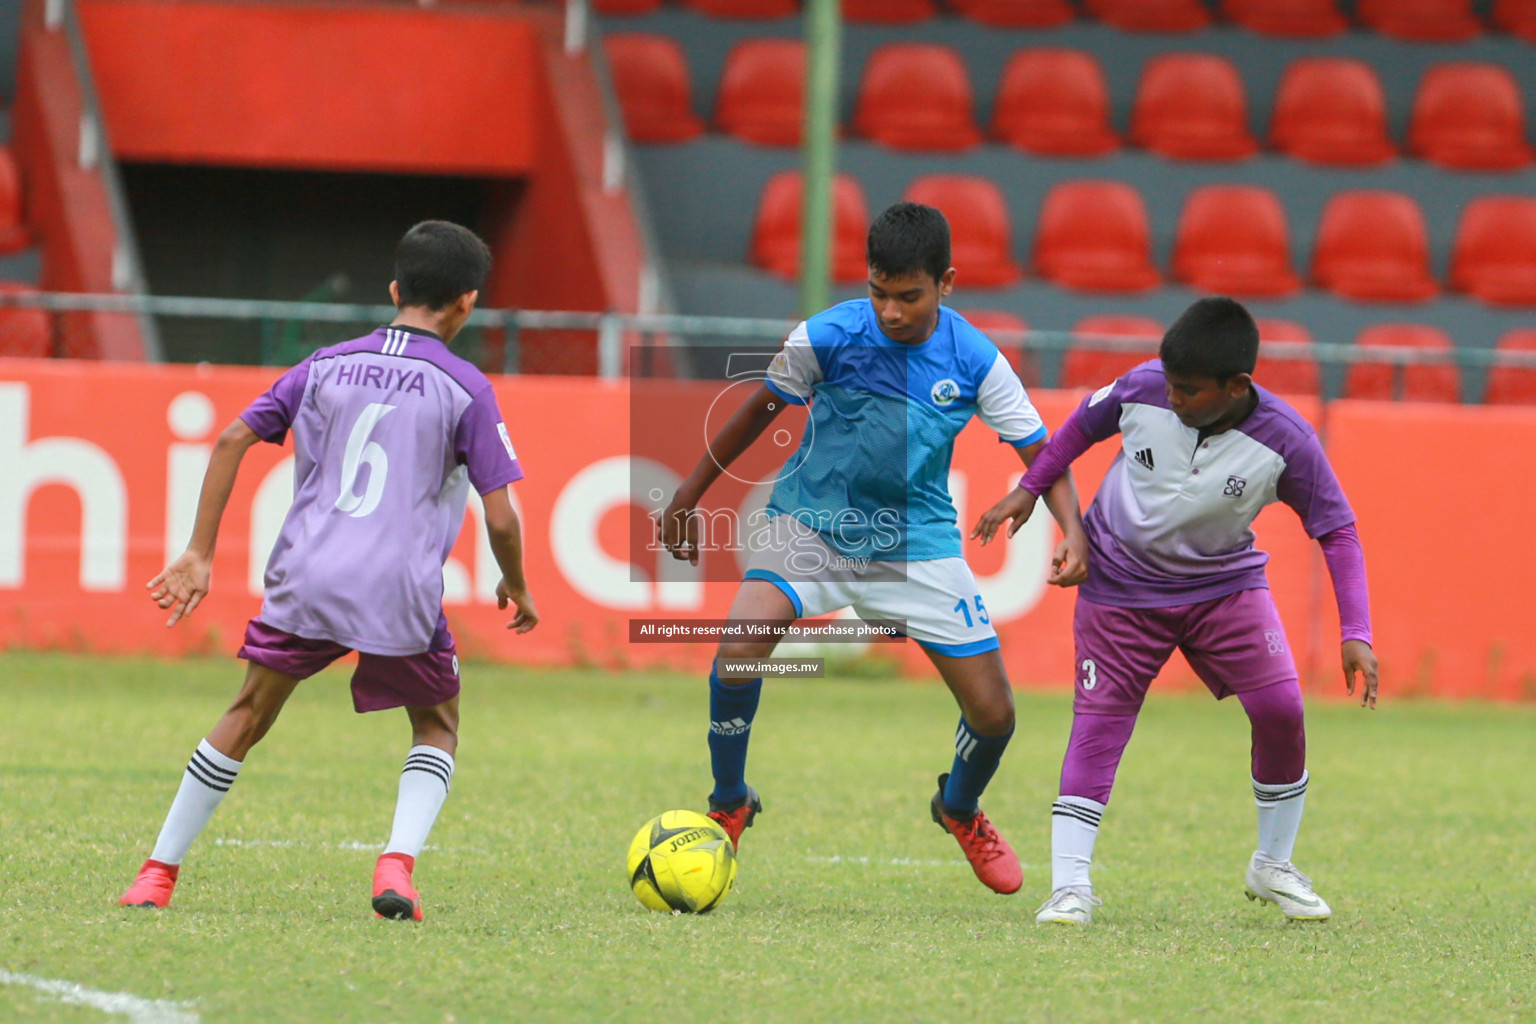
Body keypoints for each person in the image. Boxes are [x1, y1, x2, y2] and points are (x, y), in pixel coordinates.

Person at [659, 202, 1088, 895]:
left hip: (917, 543)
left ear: (946, 283)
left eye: (909, 296)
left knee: (996, 713)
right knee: (738, 646)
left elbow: (1044, 450)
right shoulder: (825, 336)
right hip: (811, 527)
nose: (890, 311)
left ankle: (958, 807)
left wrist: (1074, 528)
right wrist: (689, 492)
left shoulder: (976, 358)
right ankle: (730, 799)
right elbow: (757, 412)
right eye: (878, 292)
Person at [119, 220, 538, 921]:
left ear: (395, 289)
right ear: (468, 303)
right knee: (436, 724)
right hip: (397, 590)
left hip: (307, 576)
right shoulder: (466, 387)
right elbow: (501, 517)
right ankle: (397, 867)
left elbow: (230, 439)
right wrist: (516, 583)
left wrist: (198, 550)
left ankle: (156, 873)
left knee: (247, 713)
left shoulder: (323, 365)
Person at [974, 296, 1379, 924]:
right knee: (1099, 725)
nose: (1172, 397)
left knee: (1282, 709)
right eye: (1168, 383)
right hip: (1120, 589)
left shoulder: (1287, 440)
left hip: (1223, 588)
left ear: (1236, 386)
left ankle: (1273, 865)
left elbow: (1338, 529)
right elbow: (1078, 428)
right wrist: (1029, 492)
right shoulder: (1142, 389)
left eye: (1188, 391)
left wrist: (1357, 631)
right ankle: (1070, 888)